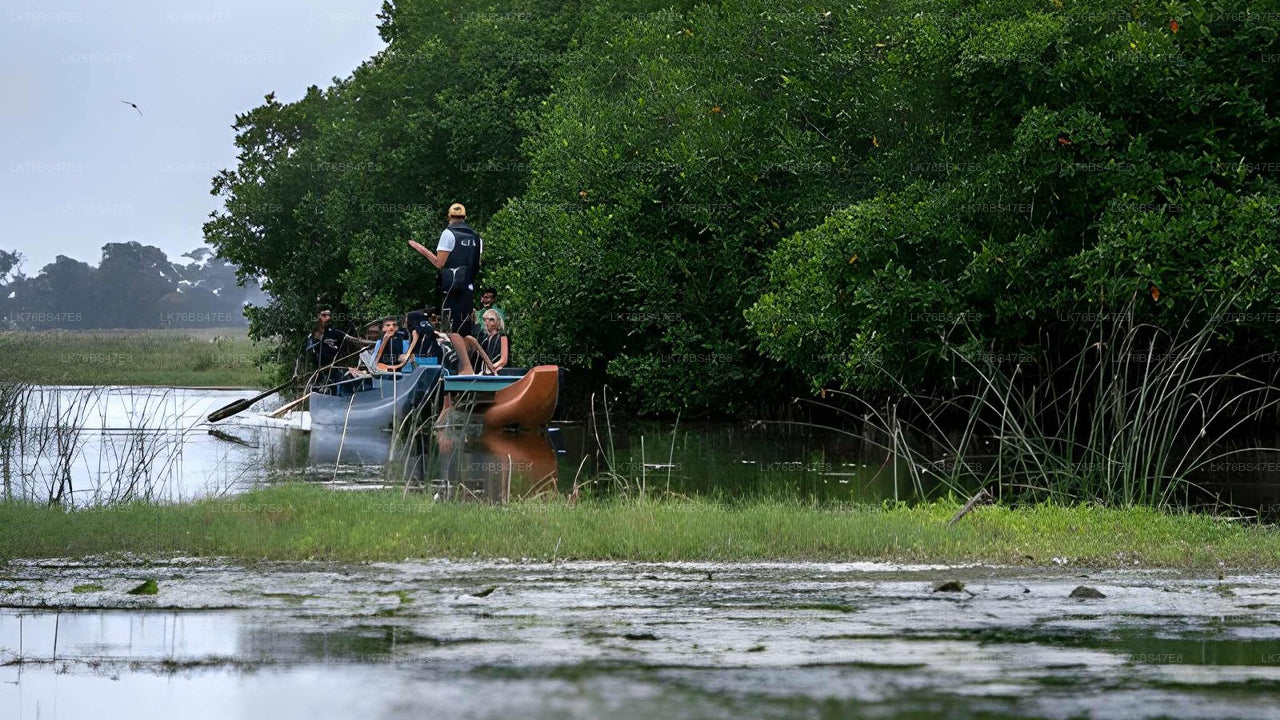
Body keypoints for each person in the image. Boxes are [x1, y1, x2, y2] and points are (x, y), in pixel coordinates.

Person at [408, 203, 482, 336]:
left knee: (452, 330)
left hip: (452, 289)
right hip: (469, 289)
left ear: (449, 217)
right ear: (464, 217)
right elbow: (477, 264)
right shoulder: (476, 237)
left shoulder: (448, 233)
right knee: (465, 329)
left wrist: (421, 249)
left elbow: (439, 263)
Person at [305, 308, 371, 383]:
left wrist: (373, 343)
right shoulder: (311, 337)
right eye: (324, 315)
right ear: (317, 316)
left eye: (329, 315)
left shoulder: (334, 333)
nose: (328, 318)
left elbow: (354, 340)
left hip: (335, 373)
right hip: (318, 376)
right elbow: (311, 356)